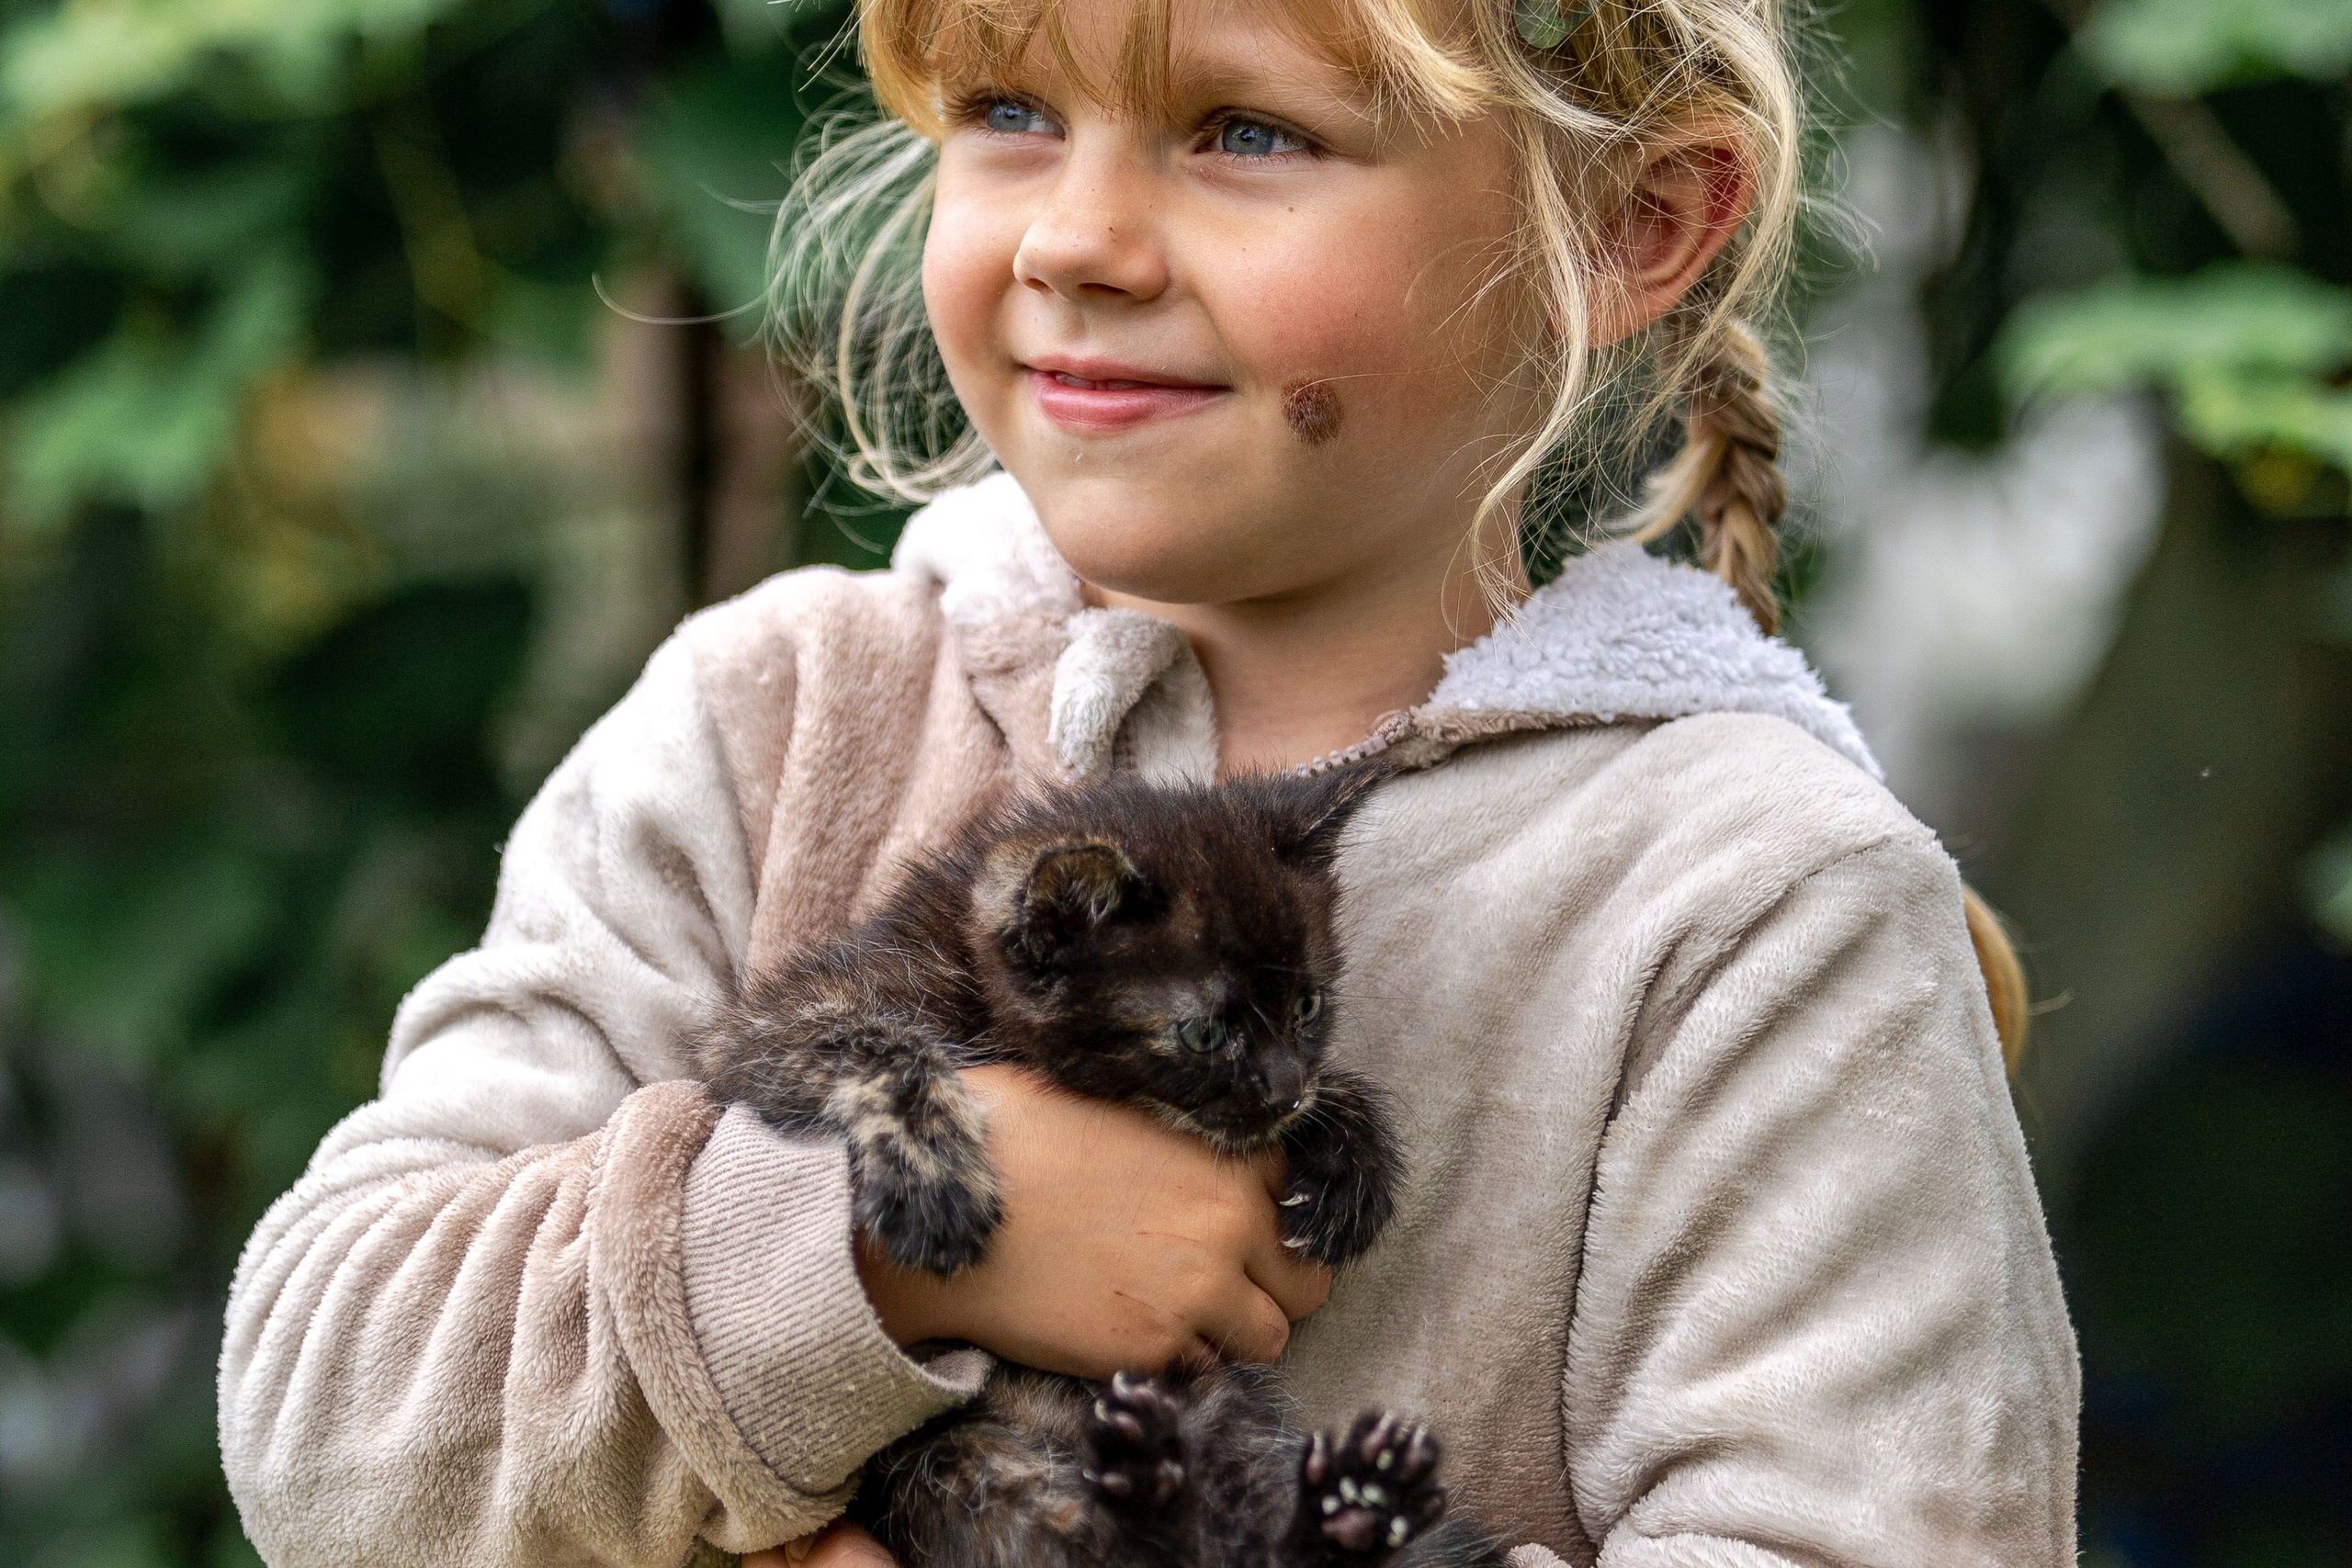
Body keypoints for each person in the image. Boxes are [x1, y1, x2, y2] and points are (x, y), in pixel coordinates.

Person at [216, 0, 2078, 1562]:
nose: (1075, 241)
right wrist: (879, 1246)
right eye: (1009, 114)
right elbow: (331, 1423)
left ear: (1628, 226)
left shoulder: (1756, 903)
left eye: (1243, 131)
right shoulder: (777, 721)